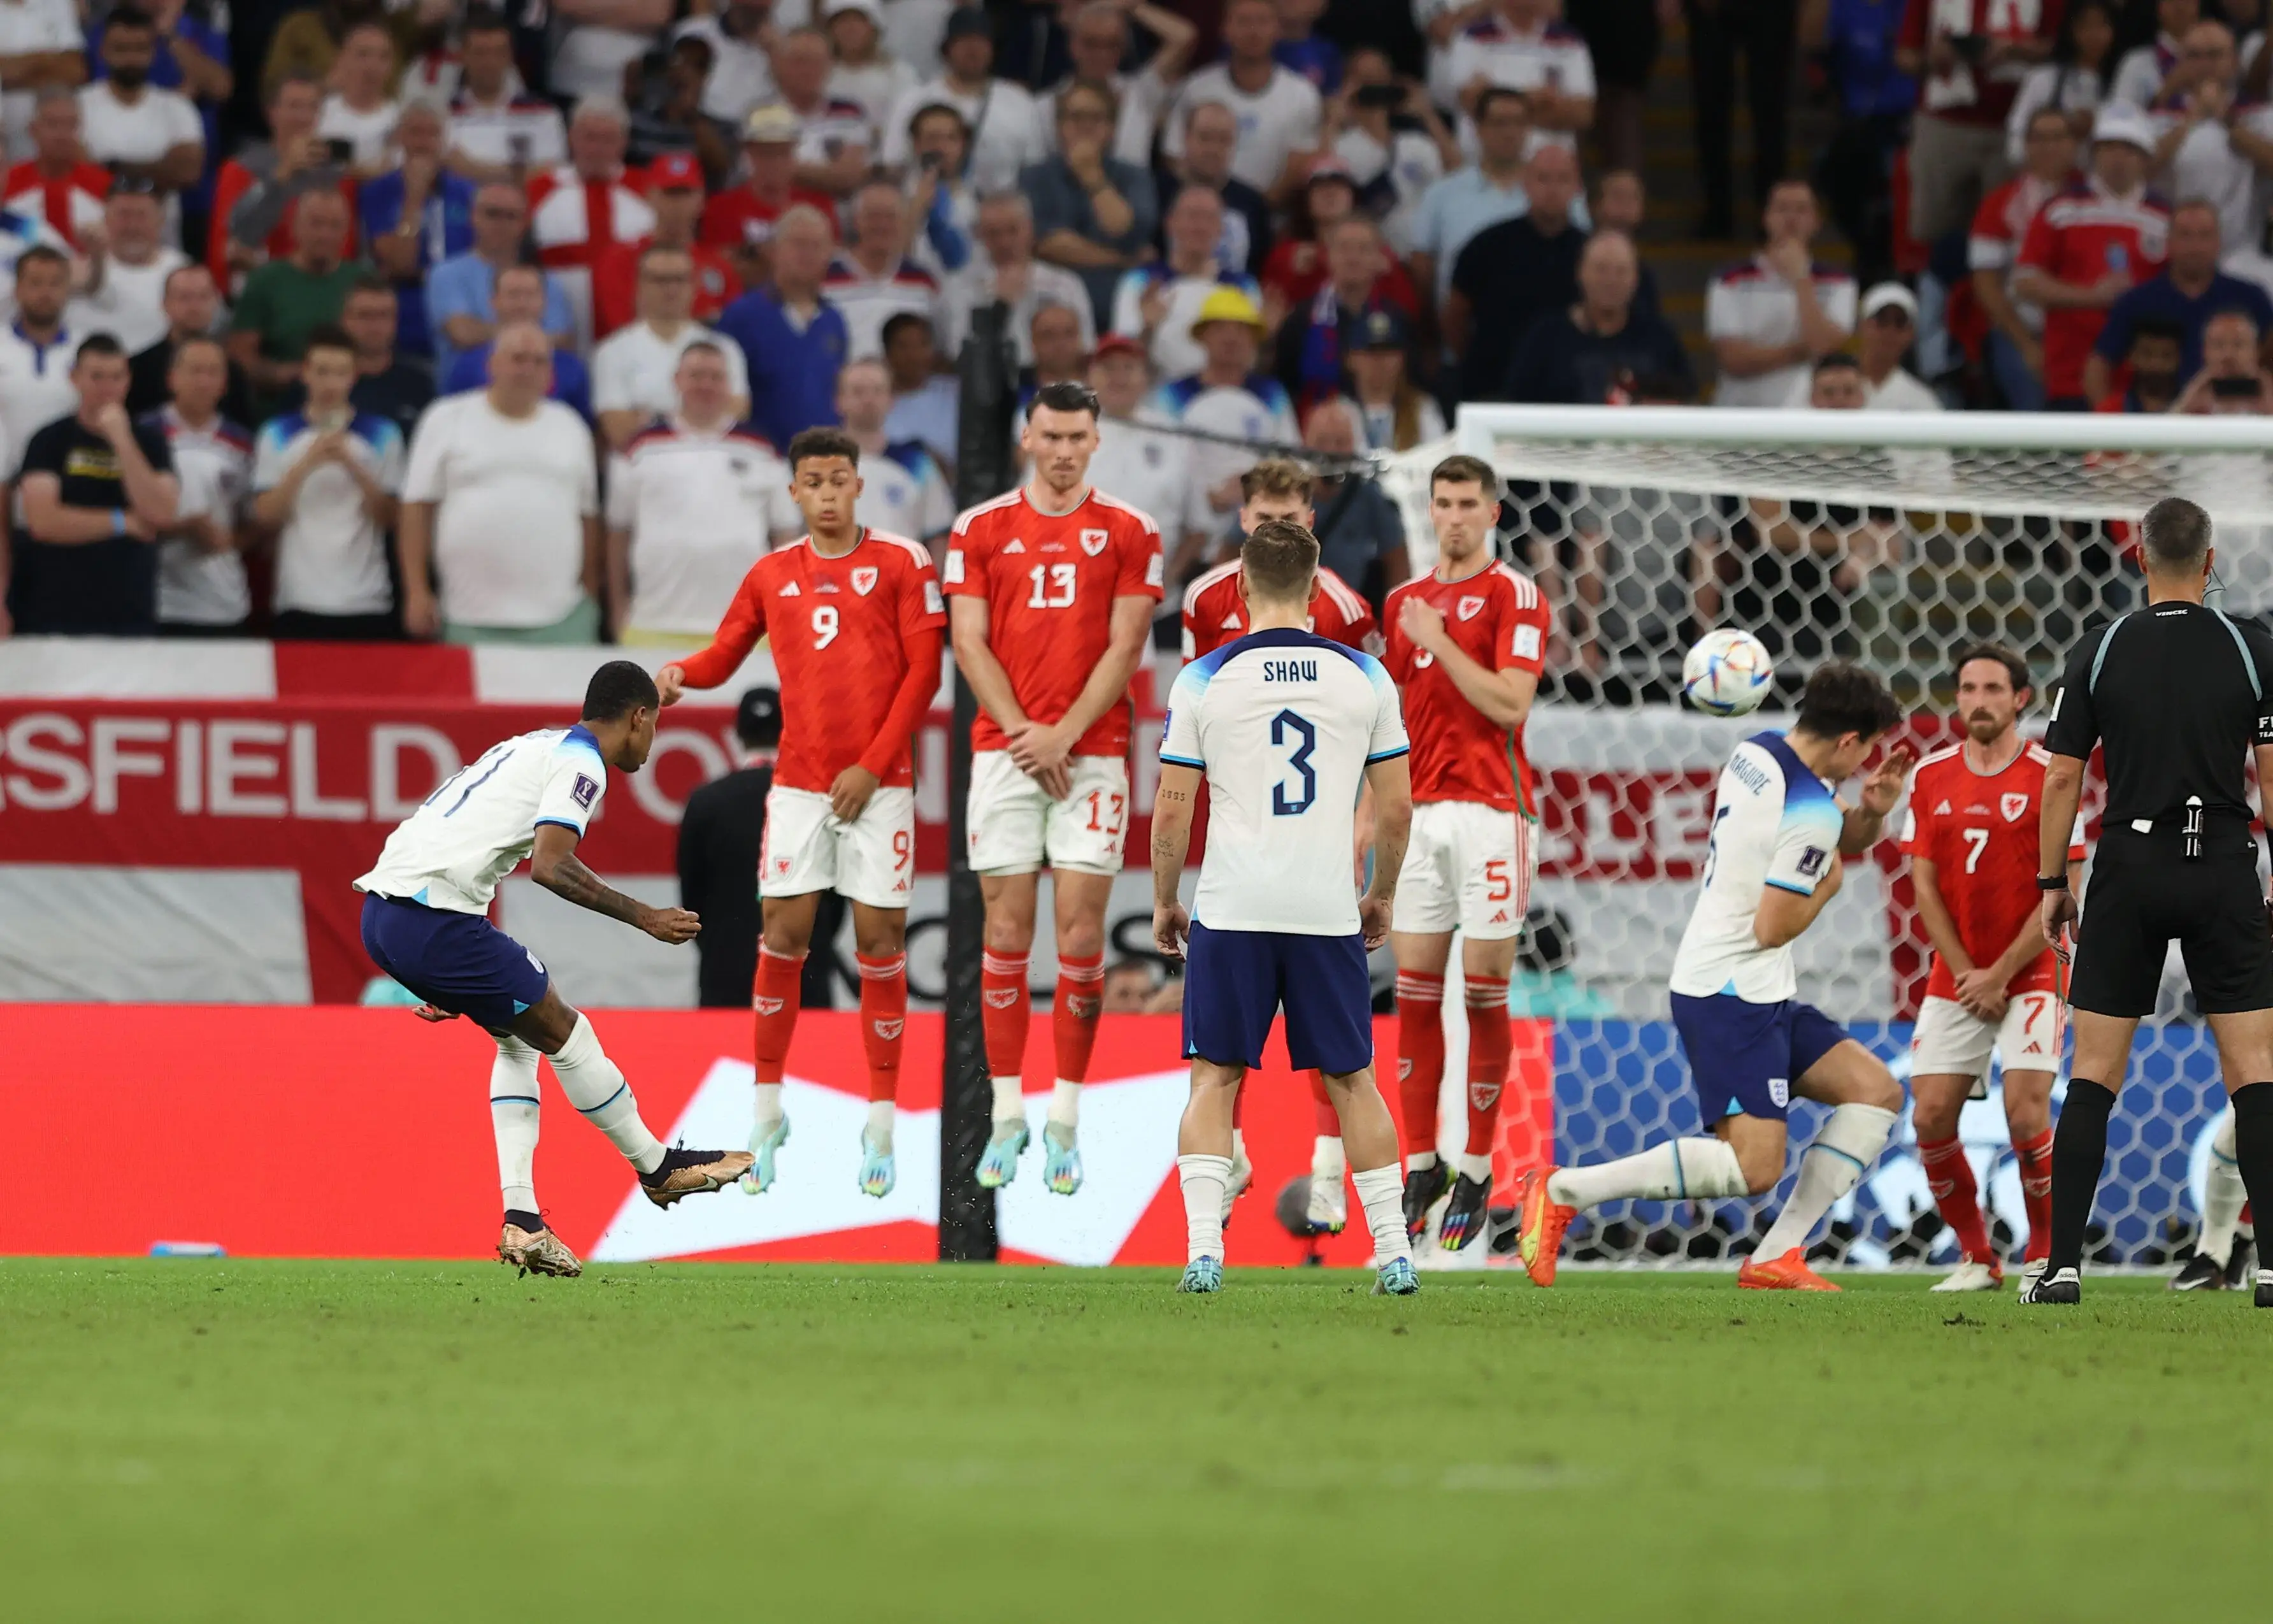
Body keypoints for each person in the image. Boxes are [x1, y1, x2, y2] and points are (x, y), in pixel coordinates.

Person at [1516, 662, 1914, 1290]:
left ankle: (1776, 1255)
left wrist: (1870, 814)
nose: (1865, 762)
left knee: (1876, 1091)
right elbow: (1773, 924)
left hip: (1756, 986)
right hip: (1731, 990)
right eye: (1866, 750)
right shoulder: (1808, 810)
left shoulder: (1759, 754)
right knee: (1754, 1167)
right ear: (1847, 741)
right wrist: (1830, 887)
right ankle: (1565, 1188)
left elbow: (1839, 831)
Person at [355, 660, 754, 1279]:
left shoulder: (533, 745)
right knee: (569, 1031)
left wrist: (435, 972)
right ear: (638, 717)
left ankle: (524, 1218)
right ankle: (658, 1167)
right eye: (653, 724)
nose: (651, 742)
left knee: (519, 1040)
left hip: (388, 915)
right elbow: (550, 864)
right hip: (430, 923)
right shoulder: (581, 763)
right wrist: (645, 915)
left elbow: (461, 838)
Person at [657, 428, 947, 1198]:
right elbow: (726, 651)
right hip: (798, 786)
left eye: (838, 479)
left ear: (859, 485)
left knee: (880, 943)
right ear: (793, 491)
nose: (825, 492)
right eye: (812, 480)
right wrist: (681, 672)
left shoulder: (902, 561)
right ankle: (767, 1109)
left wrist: (870, 765)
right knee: (781, 939)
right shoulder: (771, 573)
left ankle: (880, 1117)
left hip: (878, 786)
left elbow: (924, 674)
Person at [1149, 516, 1419, 1295]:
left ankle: (1204, 1251)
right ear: (1313, 587)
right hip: (1323, 907)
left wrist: (1168, 899)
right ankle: (1396, 1252)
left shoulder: (1203, 676)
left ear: (1238, 587)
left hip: (1232, 905)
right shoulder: (1365, 675)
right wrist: (1381, 892)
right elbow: (1396, 809)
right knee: (1352, 1080)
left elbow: (1172, 810)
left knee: (1214, 1079)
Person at [2029, 496, 2273, 1305]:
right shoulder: (2252, 649)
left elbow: (2061, 775)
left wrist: (2052, 884)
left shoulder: (2096, 651)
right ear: (2210, 561)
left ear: (2139, 558)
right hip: (2223, 864)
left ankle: (2061, 1267)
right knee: (2253, 1074)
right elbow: (2272, 782)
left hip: (2129, 867)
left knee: (2094, 1073)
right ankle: (2269, 1265)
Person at [949, 379, 1165, 1195]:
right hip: (1006, 753)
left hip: (1094, 754)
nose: (1066, 449)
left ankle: (1066, 1120)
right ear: (1026, 439)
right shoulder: (978, 528)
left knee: (1079, 935)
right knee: (1004, 935)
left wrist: (1061, 735)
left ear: (1096, 441)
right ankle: (1009, 1113)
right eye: (1052, 436)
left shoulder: (1129, 529)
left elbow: (1126, 647)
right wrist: (1024, 735)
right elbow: (969, 644)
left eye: (1079, 436)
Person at [1377, 456, 1554, 1250]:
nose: (1452, 516)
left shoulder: (1515, 596)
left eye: (1466, 504)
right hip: (1416, 815)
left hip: (1492, 815)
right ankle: (1423, 1164)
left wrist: (1441, 643)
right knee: (1413, 993)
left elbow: (1510, 703)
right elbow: (1389, 721)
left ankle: (1478, 1167)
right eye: (1442, 502)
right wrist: (1365, 816)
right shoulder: (1401, 604)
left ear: (1492, 511)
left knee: (1482, 993)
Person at [1900, 643, 2083, 1291]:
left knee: (2026, 1113)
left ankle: (2045, 1253)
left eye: (1992, 689)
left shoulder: (2050, 776)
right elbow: (1922, 883)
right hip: (1958, 976)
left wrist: (2000, 971)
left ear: (2020, 699)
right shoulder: (1929, 775)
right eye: (1968, 688)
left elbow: (2065, 889)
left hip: (2031, 971)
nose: (1978, 700)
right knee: (1928, 1117)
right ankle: (1978, 1256)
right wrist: (1966, 970)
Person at [399, 322, 602, 644]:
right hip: (467, 616)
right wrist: (417, 590)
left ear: (551, 373)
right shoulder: (445, 418)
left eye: (539, 361)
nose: (528, 369)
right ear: (491, 364)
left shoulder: (571, 425)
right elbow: (416, 510)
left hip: (562, 617)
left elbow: (588, 517)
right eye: (518, 358)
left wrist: (589, 594)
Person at [605, 341, 799, 644]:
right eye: (696, 375)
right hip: (653, 624)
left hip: (746, 629)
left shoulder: (763, 450)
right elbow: (618, 535)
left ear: (730, 386)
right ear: (677, 380)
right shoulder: (639, 449)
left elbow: (785, 536)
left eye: (715, 377)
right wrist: (618, 609)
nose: (705, 385)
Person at [6, 333, 178, 635]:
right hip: (54, 613)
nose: (107, 388)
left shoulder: (150, 442)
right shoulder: (49, 440)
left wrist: (121, 440)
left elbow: (161, 513)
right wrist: (123, 521)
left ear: (128, 380)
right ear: (75, 378)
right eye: (97, 377)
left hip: (129, 611)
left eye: (116, 377)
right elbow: (44, 522)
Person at [251, 323, 405, 642]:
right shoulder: (277, 433)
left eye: (340, 373)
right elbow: (265, 516)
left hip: (366, 599)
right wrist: (308, 462)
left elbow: (390, 518)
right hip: (299, 598)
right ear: (305, 373)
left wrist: (354, 466)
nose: (330, 383)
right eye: (322, 372)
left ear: (354, 376)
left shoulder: (383, 434)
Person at [2011, 104, 2168, 408]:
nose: (2118, 158)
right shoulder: (2061, 209)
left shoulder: (2164, 217)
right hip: (2071, 374)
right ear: (2094, 153)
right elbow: (2025, 281)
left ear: (2146, 158)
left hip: (2145, 383)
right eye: (2109, 147)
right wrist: (2092, 297)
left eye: (2129, 148)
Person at [1150, 286, 1298, 580]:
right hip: (1189, 548)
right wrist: (1206, 498)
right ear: (1202, 337)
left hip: (1260, 547)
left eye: (1241, 330)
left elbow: (1293, 461)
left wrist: (1254, 490)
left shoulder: (1271, 394)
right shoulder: (1173, 395)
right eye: (1220, 329)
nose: (1231, 338)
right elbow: (1157, 463)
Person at [1893, 0, 2056, 252]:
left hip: (2014, 125)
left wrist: (2016, 50)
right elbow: (1906, 55)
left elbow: (2060, 46)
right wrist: (1932, 58)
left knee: (2006, 230)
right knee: (1934, 231)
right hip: (1944, 122)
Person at [2083, 199, 2270, 405]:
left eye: (2204, 236)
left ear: (2219, 242)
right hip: (2158, 425)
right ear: (2169, 242)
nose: (2195, 247)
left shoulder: (2251, 298)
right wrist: (2114, 424)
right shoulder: (2137, 301)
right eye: (2186, 236)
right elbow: (2097, 368)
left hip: (2234, 420)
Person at [1445, 143, 1586, 403]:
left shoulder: (1591, 254)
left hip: (1571, 395)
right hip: (1494, 387)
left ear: (1578, 187)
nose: (1552, 189)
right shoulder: (1487, 245)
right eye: (1543, 178)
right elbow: (1456, 313)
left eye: (1563, 179)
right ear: (1526, 183)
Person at [1707, 178, 1859, 408]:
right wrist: (1800, 352)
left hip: (1808, 416)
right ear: (1766, 218)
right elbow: (1734, 360)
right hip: (1741, 411)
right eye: (1782, 209)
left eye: (1801, 210)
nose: (1791, 218)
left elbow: (1825, 347)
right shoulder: (1729, 280)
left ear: (1817, 221)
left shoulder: (1840, 282)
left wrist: (1801, 279)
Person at [680, 687, 785, 1010]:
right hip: (801, 968)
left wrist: (717, 943)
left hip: (725, 970)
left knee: (727, 1060)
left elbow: (692, 895)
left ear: (738, 733)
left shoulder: (707, 801)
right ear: (787, 730)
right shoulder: (815, 800)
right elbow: (834, 897)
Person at [1970, 103, 2081, 411]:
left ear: (2074, 144)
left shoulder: (2091, 196)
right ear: (2027, 145)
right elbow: (1986, 284)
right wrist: (2027, 344)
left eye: (2059, 137)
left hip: (2083, 331)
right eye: (2040, 139)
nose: (2050, 147)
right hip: (2021, 328)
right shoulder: (1999, 204)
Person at [1025, 80, 1161, 326]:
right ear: (1059, 126)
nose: (1085, 126)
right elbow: (1049, 244)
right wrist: (1122, 260)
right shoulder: (1034, 177)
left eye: (1096, 118)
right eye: (1076, 117)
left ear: (1112, 128)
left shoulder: (1135, 177)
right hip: (1053, 310)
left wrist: (1093, 177)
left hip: (1119, 307)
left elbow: (1124, 229)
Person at [526, 97, 657, 351]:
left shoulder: (649, 189)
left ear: (624, 143)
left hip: (631, 321)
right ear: (572, 138)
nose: (597, 148)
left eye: (607, 139)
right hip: (560, 325)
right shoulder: (539, 189)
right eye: (589, 138)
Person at [1505, 227, 1692, 405]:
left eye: (1621, 271)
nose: (1611, 281)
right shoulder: (1546, 336)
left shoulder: (1660, 338)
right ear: (1580, 272)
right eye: (1601, 269)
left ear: (1636, 278)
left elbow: (1685, 399)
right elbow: (1518, 402)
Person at [717, 203, 850, 450]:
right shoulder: (741, 317)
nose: (807, 254)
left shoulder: (834, 320)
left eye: (816, 246)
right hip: (763, 459)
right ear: (774, 251)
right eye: (798, 244)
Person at [592, 243, 750, 450]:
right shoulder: (612, 352)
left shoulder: (724, 348)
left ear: (693, 285)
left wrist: (649, 416)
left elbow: (737, 412)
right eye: (660, 280)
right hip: (643, 468)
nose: (671, 289)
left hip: (712, 463)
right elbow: (619, 431)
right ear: (640, 285)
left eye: (680, 280)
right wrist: (698, 412)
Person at [1409, 89, 1555, 313]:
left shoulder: (1557, 192)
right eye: (1500, 123)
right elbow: (1422, 270)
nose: (1510, 132)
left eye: (1519, 123)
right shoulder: (1441, 195)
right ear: (1478, 129)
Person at [1162, 0, 1322, 203]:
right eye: (1243, 21)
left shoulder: (1302, 94)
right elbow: (1174, 156)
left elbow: (1299, 166)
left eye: (1263, 21)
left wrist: (1253, 210)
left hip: (1270, 216)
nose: (1253, 31)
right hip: (1199, 212)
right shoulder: (1196, 88)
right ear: (1224, 29)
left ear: (1278, 28)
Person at [148, 334, 254, 637]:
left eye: (213, 372)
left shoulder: (243, 443)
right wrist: (182, 529)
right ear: (172, 378)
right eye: (195, 371)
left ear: (224, 383)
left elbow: (252, 520)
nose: (203, 381)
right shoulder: (144, 436)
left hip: (222, 602)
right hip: (160, 601)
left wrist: (228, 541)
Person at [356, 99, 475, 363]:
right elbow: (400, 263)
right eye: (415, 133)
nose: (423, 143)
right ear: (400, 137)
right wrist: (414, 200)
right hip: (407, 310)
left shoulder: (466, 192)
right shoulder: (379, 191)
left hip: (462, 308)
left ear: (443, 139)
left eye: (432, 134)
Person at [880, 8, 1049, 192]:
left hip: (999, 210)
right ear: (947, 49)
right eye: (964, 41)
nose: (973, 50)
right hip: (930, 208)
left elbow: (1035, 167)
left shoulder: (1019, 101)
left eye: (981, 42)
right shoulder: (913, 100)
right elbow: (893, 164)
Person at [227, 187, 365, 411]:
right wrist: (290, 374)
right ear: (295, 226)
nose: (325, 235)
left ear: (347, 231)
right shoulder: (265, 281)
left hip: (354, 403)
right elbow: (240, 357)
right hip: (281, 407)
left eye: (334, 226)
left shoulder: (362, 281)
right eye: (316, 224)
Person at [427, 182, 576, 382]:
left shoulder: (549, 281)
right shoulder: (446, 274)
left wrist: (490, 331)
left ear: (524, 224)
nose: (501, 223)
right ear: (473, 216)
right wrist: (533, 337)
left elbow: (563, 341)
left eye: (511, 216)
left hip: (539, 391)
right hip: (466, 390)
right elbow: (463, 334)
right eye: (492, 213)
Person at [215, 73, 352, 287]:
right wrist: (283, 173)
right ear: (272, 112)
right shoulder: (241, 170)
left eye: (312, 108)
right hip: (259, 287)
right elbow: (237, 237)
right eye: (294, 107)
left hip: (322, 288)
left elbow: (345, 250)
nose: (303, 117)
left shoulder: (336, 179)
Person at [1108, 185, 1254, 382]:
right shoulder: (1139, 282)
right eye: (1192, 216)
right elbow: (1122, 361)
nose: (1200, 227)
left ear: (1221, 228)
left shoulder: (1244, 286)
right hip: (1158, 395)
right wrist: (1148, 329)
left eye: (1209, 218)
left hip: (1222, 395)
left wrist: (1268, 340)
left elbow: (1253, 363)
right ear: (1170, 223)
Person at [943, 191, 1094, 366]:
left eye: (1013, 230)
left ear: (1030, 228)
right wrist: (1000, 305)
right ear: (980, 235)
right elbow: (957, 351)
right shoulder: (960, 287)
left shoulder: (1066, 284)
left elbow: (1086, 347)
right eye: (994, 233)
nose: (1004, 242)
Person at [1038, 0, 1196, 167]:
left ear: (1122, 49)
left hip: (1132, 191)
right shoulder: (1045, 106)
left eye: (1112, 45)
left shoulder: (1140, 94)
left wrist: (1131, 6)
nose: (1101, 54)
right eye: (1091, 43)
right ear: (1073, 46)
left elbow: (1184, 37)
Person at [75, 9, 204, 210]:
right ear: (103, 51)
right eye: (121, 49)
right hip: (95, 230)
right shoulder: (78, 105)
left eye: (140, 49)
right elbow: (76, 170)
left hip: (162, 235)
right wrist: (158, 170)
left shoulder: (177, 107)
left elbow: (188, 172)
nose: (131, 58)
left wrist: (112, 167)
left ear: (153, 52)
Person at [699, 105, 837, 291]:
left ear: (794, 153)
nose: (775, 163)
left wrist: (761, 259)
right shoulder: (721, 208)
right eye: (766, 154)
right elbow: (718, 269)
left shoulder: (819, 205)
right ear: (749, 154)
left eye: (782, 153)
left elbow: (828, 264)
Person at [1440, 0, 1597, 157]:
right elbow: (1470, 101)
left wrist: (1496, 99)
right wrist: (1541, 102)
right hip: (1483, 166)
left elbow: (1583, 114)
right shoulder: (1471, 37)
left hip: (1549, 171)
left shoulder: (1570, 41)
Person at [444, 264, 594, 417]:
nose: (522, 304)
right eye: (513, 295)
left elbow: (581, 429)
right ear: (494, 302)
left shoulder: (571, 368)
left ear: (544, 301)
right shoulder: (466, 367)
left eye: (530, 295)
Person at [836, 356, 954, 547]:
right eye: (858, 392)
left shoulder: (917, 463)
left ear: (891, 400)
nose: (868, 400)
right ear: (839, 400)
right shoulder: (815, 464)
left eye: (877, 391)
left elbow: (938, 534)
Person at [824, 180, 946, 362]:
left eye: (890, 217)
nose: (881, 225)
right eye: (873, 216)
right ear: (856, 220)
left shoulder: (923, 281)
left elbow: (937, 346)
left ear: (903, 222)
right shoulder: (826, 277)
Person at [444, 8, 568, 182]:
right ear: (462, 56)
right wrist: (519, 172)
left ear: (510, 56)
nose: (490, 62)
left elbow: (552, 175)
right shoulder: (443, 115)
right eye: (480, 53)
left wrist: (472, 169)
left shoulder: (543, 114)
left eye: (498, 52)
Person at [64, 178, 183, 357]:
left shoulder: (182, 271)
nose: (132, 226)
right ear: (105, 217)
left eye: (142, 215)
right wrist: (96, 258)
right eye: (123, 215)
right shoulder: (78, 269)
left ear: (161, 220)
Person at [308, 277, 435, 442]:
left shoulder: (420, 383)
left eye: (384, 316)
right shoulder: (317, 382)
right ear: (343, 320)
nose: (375, 326)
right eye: (365, 316)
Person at [127, 264, 254, 422]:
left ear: (215, 302)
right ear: (164, 305)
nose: (195, 307)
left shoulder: (232, 371)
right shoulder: (138, 369)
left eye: (203, 297)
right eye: (185, 298)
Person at [1161, 100, 1273, 278]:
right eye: (1205, 138)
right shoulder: (1158, 191)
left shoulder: (1252, 203)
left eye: (1223, 140)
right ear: (1186, 138)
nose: (1213, 149)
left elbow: (1260, 266)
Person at [1792, 280, 1939, 408]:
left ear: (1911, 333)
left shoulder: (1921, 400)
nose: (1890, 331)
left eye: (1900, 323)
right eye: (1881, 321)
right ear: (1862, 325)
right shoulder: (1816, 382)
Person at [2004, 0, 2116, 163]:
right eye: (2085, 25)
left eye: (2102, 25)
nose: (2094, 34)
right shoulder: (2043, 78)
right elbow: (2016, 137)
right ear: (2071, 30)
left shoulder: (2121, 81)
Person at [0, 244, 77, 465]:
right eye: (35, 283)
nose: (46, 293)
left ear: (68, 289)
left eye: (55, 283)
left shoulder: (85, 350)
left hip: (67, 479)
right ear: (17, 289)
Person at [6, 90, 108, 248]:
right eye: (53, 124)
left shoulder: (104, 185)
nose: (62, 135)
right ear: (33, 130)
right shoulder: (7, 181)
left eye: (71, 125)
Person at [1345, 306, 1449, 449]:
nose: (1379, 360)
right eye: (1370, 351)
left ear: (1402, 358)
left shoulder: (1422, 410)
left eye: (1388, 351)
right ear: (1351, 358)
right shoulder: (1336, 414)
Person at [826, 0, 919, 139]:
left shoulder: (899, 75)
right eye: (843, 21)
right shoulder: (818, 73)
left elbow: (909, 123)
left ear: (874, 28)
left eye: (858, 21)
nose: (851, 29)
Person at [316, 21, 401, 173]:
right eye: (363, 55)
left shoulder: (400, 120)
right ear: (342, 59)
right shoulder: (318, 111)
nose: (372, 66)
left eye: (383, 57)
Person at [882, 312, 957, 464]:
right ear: (888, 353)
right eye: (904, 346)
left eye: (923, 344)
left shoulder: (954, 392)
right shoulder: (878, 402)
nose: (914, 355)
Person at [2171, 306, 2273, 411]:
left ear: (2256, 351)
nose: (2228, 355)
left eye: (2238, 344)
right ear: (2204, 351)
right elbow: (2169, 424)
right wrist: (2192, 392)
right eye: (2218, 345)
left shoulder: (2268, 394)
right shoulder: (2195, 399)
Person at [2093, 313, 2185, 410]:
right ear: (2131, 357)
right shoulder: (2110, 411)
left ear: (2180, 359)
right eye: (2147, 354)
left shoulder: (2193, 410)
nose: (2156, 364)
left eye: (2167, 356)